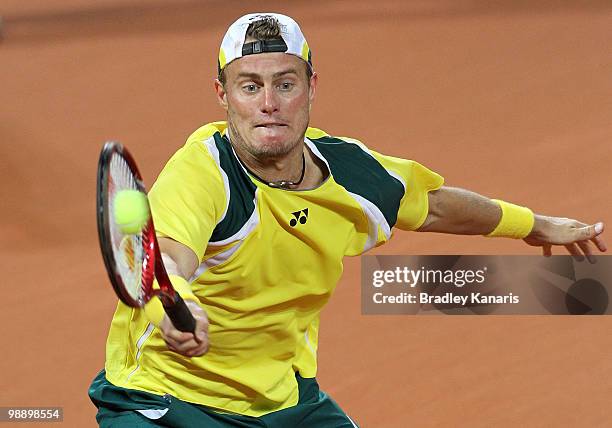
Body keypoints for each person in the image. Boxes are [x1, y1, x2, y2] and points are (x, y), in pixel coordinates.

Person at [88, 12, 606, 427]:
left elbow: (435, 205)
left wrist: (533, 223)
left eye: (284, 84)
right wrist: (178, 310)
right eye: (249, 87)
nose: (268, 104)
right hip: (164, 403)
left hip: (283, 401)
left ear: (311, 87)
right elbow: (167, 261)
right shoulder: (203, 171)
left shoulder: (353, 173)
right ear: (223, 94)